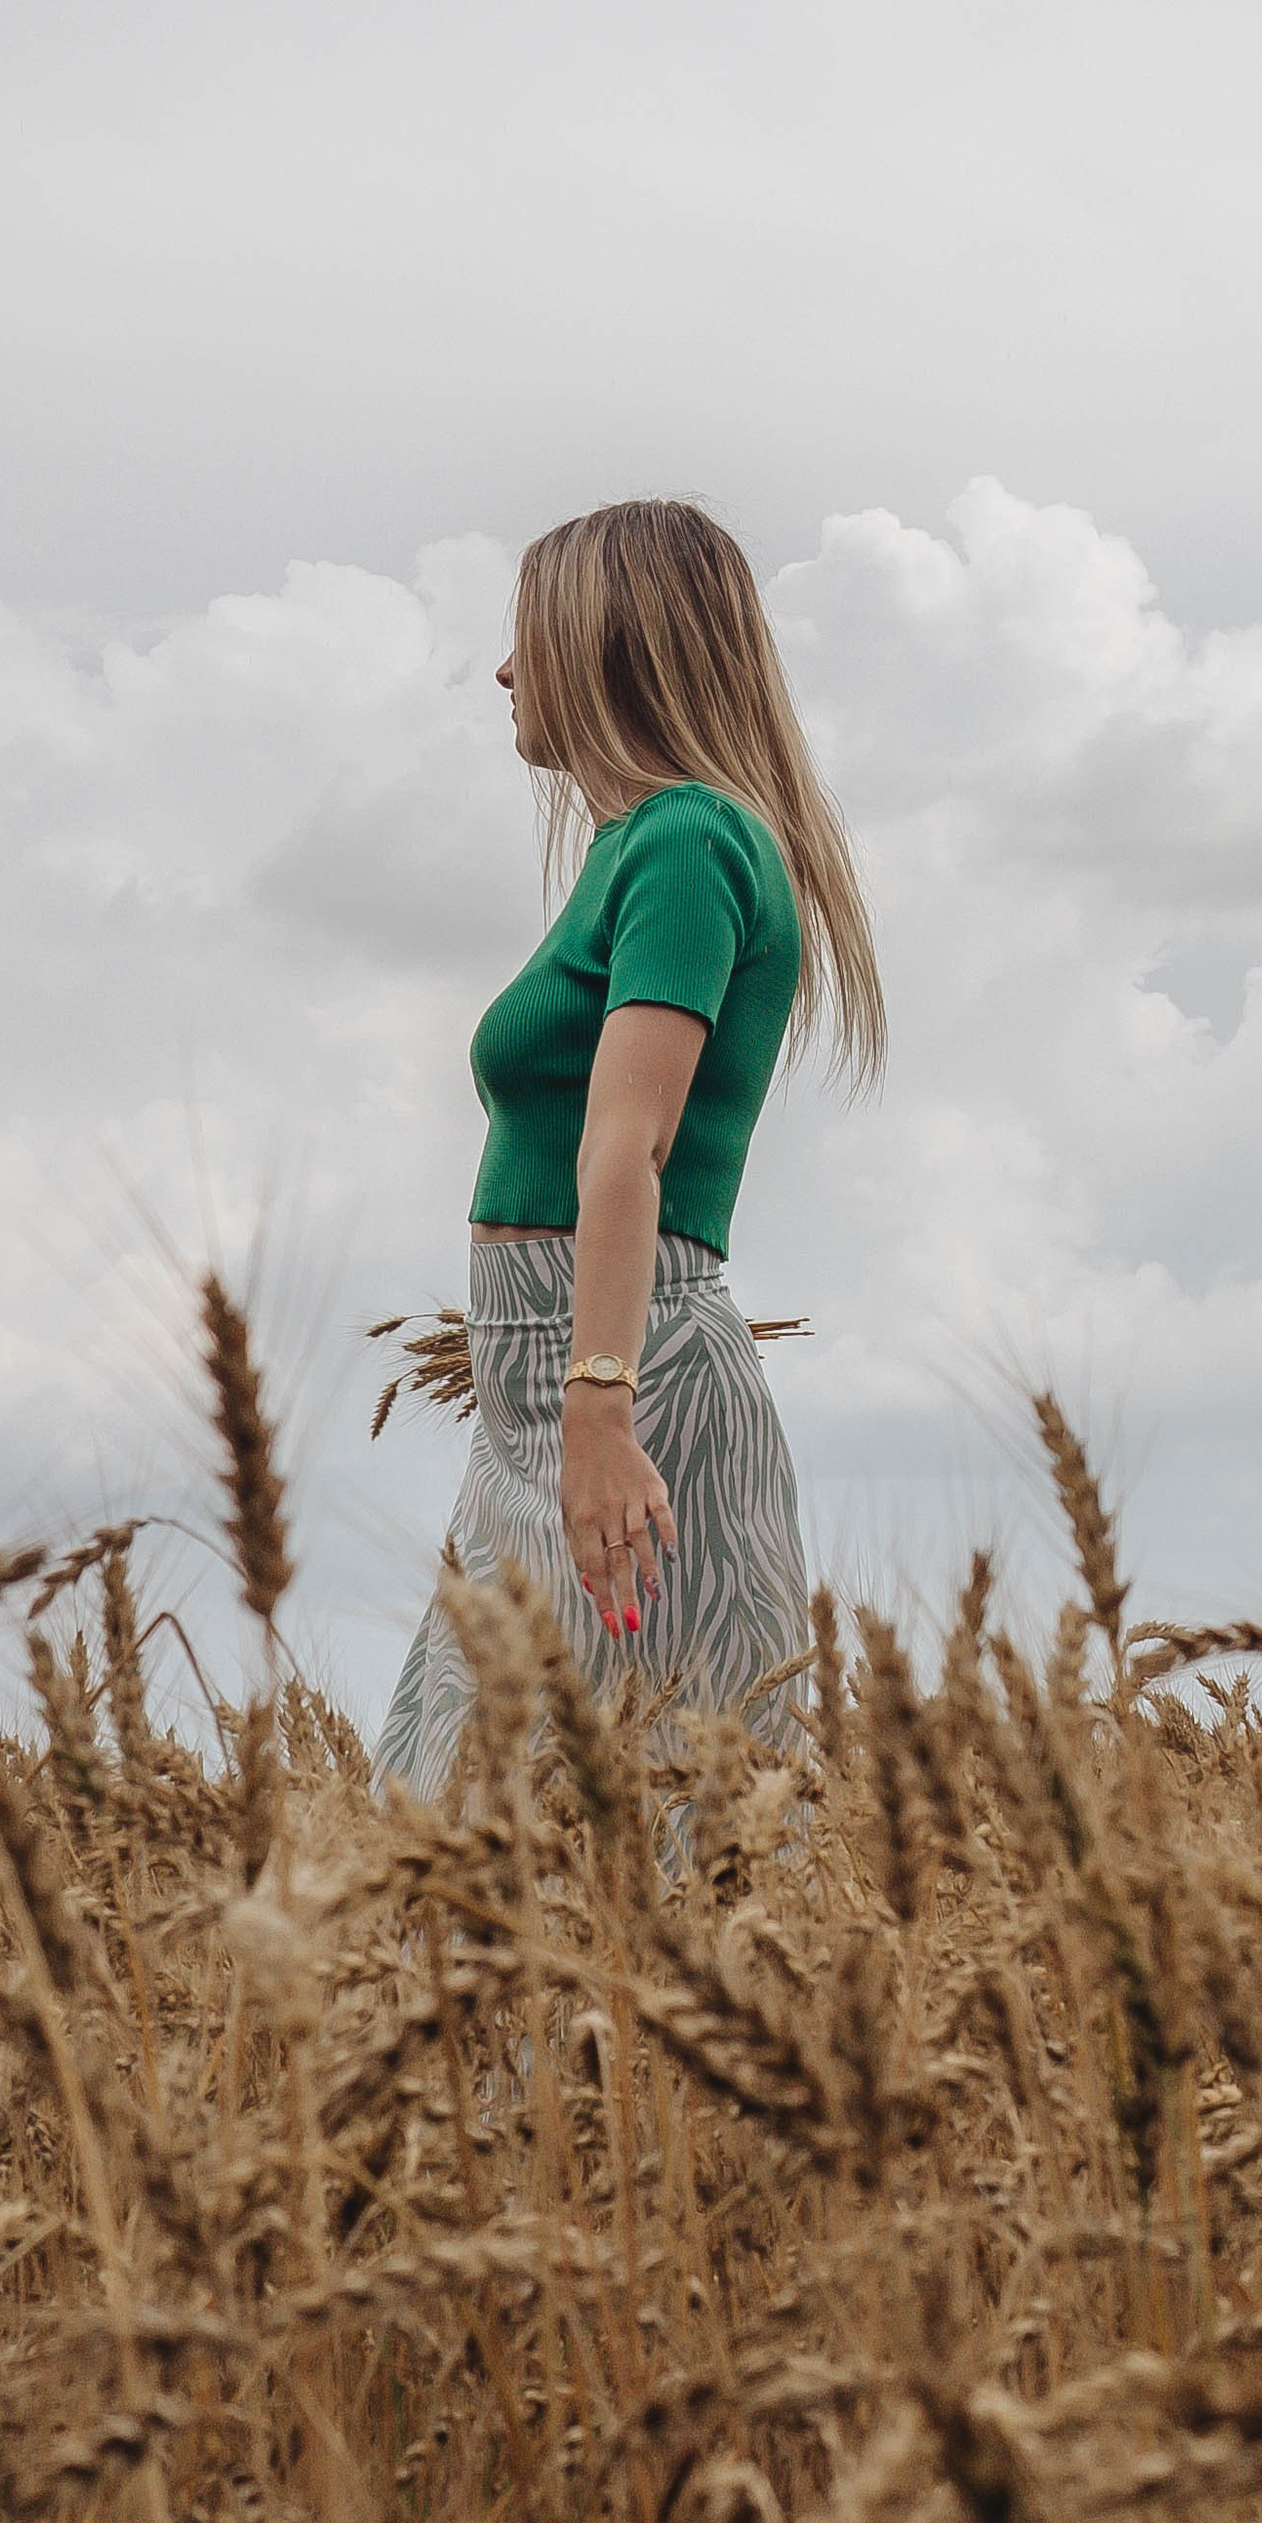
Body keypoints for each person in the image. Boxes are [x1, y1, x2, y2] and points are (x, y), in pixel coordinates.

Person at [372, 497, 884, 1796]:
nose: (502, 670)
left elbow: (625, 1151)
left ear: (611, 642)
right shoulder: (632, 849)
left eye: (527, 635)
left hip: (621, 1386)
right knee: (460, 1820)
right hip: (536, 1392)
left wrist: (602, 1406)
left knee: (641, 1824)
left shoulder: (690, 840)